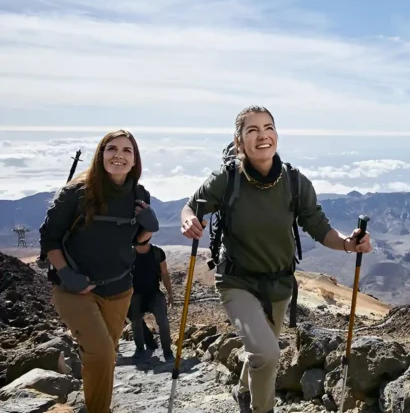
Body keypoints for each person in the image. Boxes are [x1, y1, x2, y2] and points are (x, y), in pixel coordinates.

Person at [180, 105, 372, 413]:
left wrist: (350, 244)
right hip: (236, 281)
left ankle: (244, 391)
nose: (262, 135)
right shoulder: (226, 180)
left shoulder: (295, 183)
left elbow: (320, 229)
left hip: (280, 285)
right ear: (239, 140)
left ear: (277, 134)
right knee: (268, 354)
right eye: (252, 130)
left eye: (268, 128)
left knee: (261, 351)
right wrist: (189, 220)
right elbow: (191, 208)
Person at [39, 130, 159, 413]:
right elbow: (49, 238)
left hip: (118, 289)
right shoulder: (75, 193)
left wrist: (147, 230)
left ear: (134, 160)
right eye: (112, 149)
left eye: (127, 151)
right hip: (75, 289)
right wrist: (67, 273)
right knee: (101, 353)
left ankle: (95, 405)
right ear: (101, 154)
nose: (119, 155)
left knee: (104, 357)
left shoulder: (139, 195)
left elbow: (137, 244)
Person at [127, 242, 175, 361]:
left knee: (163, 322)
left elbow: (164, 274)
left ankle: (167, 352)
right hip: (135, 294)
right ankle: (140, 350)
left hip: (154, 293)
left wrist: (170, 294)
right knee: (136, 322)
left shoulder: (157, 253)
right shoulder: (128, 254)